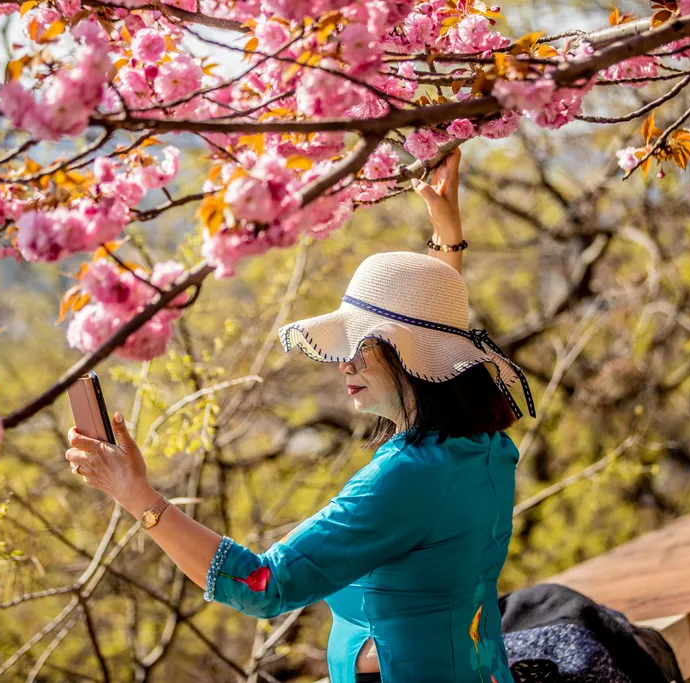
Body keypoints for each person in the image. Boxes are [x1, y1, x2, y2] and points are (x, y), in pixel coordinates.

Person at [65, 148, 536, 683]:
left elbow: (263, 584)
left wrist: (139, 498)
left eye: (359, 344)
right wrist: (446, 241)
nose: (344, 362)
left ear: (407, 355)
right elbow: (436, 335)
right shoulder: (484, 445)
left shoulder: (405, 478)